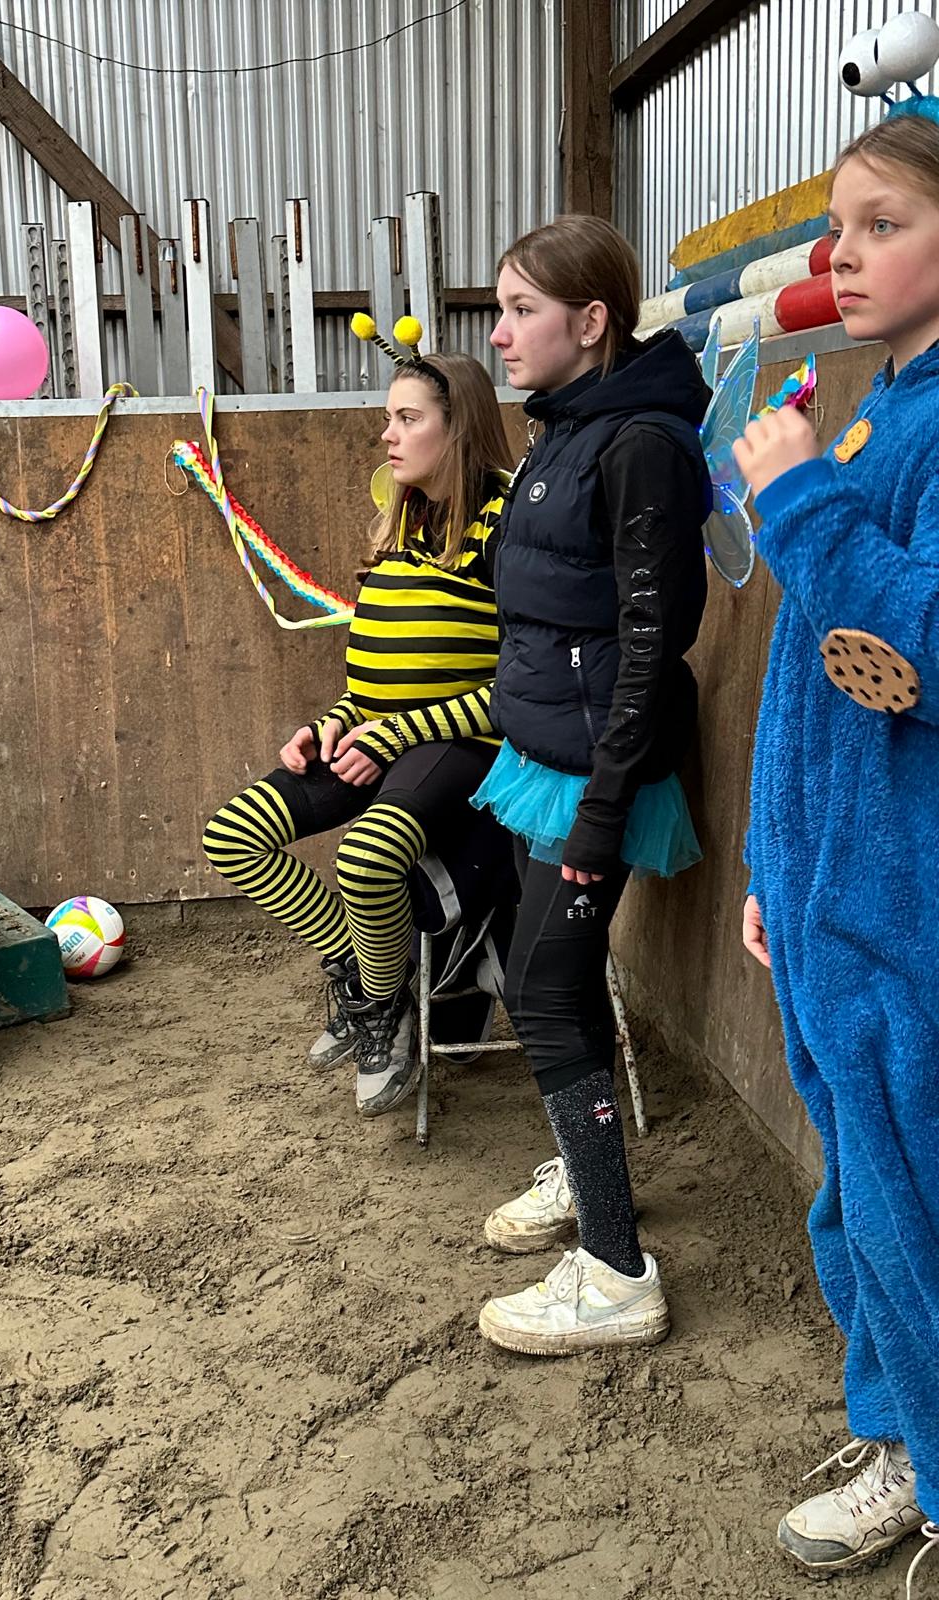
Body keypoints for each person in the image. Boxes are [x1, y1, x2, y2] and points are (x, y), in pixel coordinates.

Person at [363, 216, 709, 1353]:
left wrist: (604, 811)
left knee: (549, 994)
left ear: (591, 321)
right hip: (539, 757)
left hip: (595, 774)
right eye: (502, 311)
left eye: (522, 311)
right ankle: (583, 1161)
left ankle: (616, 1271)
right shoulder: (562, 429)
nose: (501, 334)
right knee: (543, 980)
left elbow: (651, 646)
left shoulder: (642, 445)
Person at [735, 114, 939, 1588]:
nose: (840, 255)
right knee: (864, 1193)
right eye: (836, 227)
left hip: (904, 905)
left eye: (883, 223)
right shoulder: (879, 406)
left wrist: (799, 493)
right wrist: (773, 864)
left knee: (909, 1204)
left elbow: (922, 644)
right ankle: (904, 1433)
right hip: (831, 888)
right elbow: (815, 681)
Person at [203, 351, 512, 1116]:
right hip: (380, 735)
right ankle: (376, 980)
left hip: (464, 745)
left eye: (407, 418)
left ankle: (381, 1006)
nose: (387, 435)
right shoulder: (403, 522)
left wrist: (394, 733)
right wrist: (332, 723)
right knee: (233, 836)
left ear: (459, 428)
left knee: (367, 856)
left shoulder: (508, 522)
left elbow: (522, 690)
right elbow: (377, 675)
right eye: (387, 418)